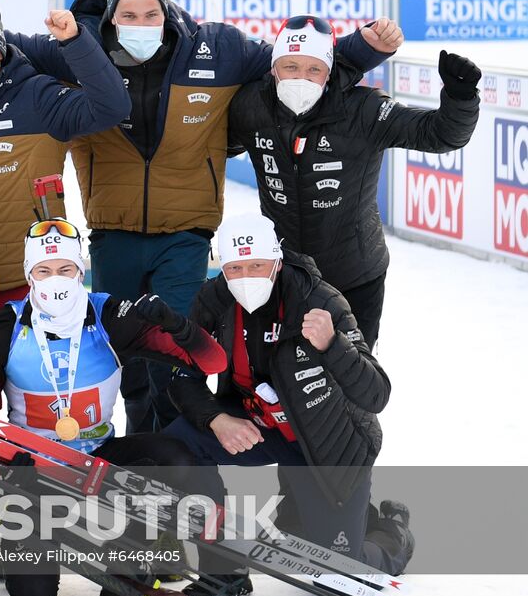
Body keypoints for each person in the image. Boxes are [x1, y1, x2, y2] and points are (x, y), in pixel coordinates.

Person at [0, 0, 402, 434]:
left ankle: (174, 456)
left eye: (150, 13)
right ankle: (138, 451)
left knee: (172, 348)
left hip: (185, 232)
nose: (139, 23)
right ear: (111, 17)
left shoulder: (217, 49)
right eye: (127, 15)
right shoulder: (80, 49)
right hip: (112, 232)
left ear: (166, 11)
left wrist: (364, 50)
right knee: (125, 354)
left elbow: (293, 64)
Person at [0, 218, 229, 596]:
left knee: (174, 457)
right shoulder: (2, 328)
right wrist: (3, 470)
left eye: (65, 269)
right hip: (34, 470)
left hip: (98, 460)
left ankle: (126, 573)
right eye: (43, 271)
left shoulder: (109, 314)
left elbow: (212, 362)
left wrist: (177, 325)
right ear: (28, 275)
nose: (55, 280)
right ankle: (18, 544)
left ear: (80, 271)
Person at [164, 213, 414, 576]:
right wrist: (216, 419)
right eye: (235, 269)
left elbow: (376, 394)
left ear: (278, 262)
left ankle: (392, 532)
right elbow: (183, 375)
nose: (247, 277)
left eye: (257, 265)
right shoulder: (213, 299)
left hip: (327, 443)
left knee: (338, 569)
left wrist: (333, 345)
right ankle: (222, 564)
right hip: (262, 428)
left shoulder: (319, 299)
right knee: (178, 444)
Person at [0, 0, 129, 412]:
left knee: (41, 405)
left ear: (0, 52)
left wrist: (74, 43)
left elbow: (113, 106)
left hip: (35, 285)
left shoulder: (38, 95)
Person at [229, 19, 481, 348]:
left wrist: (460, 98)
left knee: (353, 371)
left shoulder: (364, 109)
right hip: (285, 275)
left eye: (314, 69)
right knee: (287, 372)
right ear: (273, 69)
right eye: (290, 67)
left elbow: (438, 134)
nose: (301, 78)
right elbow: (215, 143)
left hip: (355, 276)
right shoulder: (251, 106)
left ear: (329, 72)